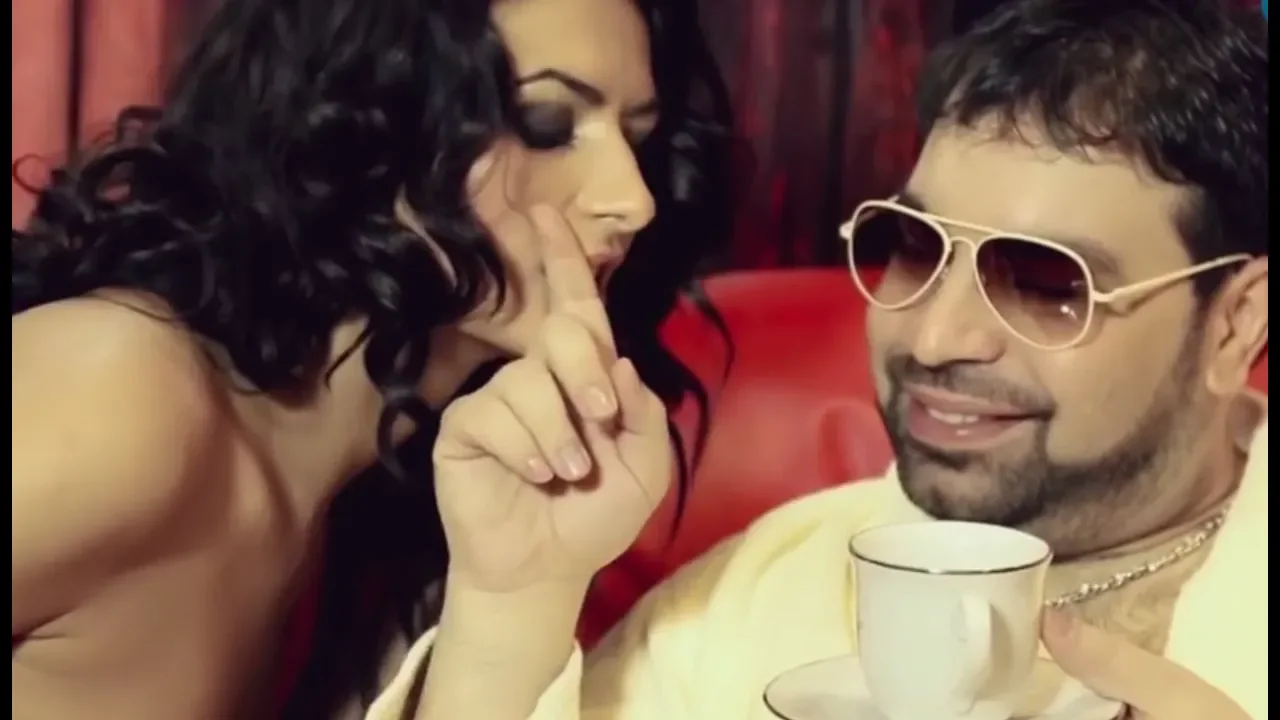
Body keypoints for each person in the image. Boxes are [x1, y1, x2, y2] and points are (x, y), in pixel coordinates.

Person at [369, 0, 1270, 718]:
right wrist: (511, 606)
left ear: (1236, 324)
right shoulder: (765, 587)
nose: (933, 339)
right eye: (913, 247)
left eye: (1043, 281)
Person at [10, 0, 733, 717]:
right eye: (546, 124)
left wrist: (518, 599)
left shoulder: (416, 502)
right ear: (354, 112)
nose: (632, 199)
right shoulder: (116, 394)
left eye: (638, 139)